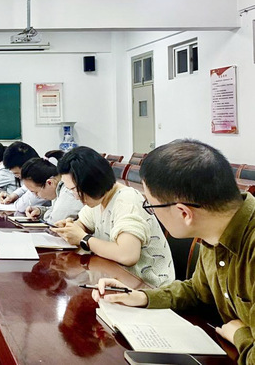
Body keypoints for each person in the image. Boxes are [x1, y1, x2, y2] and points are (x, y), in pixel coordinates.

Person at [90, 140, 255, 363]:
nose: (151, 214)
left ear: (184, 213)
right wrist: (142, 296)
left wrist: (240, 335)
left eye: (150, 206)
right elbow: (197, 291)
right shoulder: (215, 230)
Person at [51, 146, 175, 287]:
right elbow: (82, 224)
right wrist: (70, 228)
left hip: (148, 287)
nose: (75, 197)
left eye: (75, 190)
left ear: (91, 182)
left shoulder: (127, 200)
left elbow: (127, 255)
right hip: (117, 278)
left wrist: (83, 238)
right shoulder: (98, 199)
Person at [20, 150, 83, 224]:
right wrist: (40, 211)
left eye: (36, 192)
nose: (36, 196)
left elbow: (53, 221)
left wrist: (46, 215)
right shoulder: (58, 188)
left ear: (50, 183)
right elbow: (56, 210)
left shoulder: (68, 192)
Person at [0, 141, 45, 210]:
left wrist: (14, 199)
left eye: (17, 173)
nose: (18, 177)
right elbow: (24, 188)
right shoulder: (37, 172)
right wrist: (12, 196)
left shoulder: (42, 179)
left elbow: (21, 206)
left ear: (27, 166)